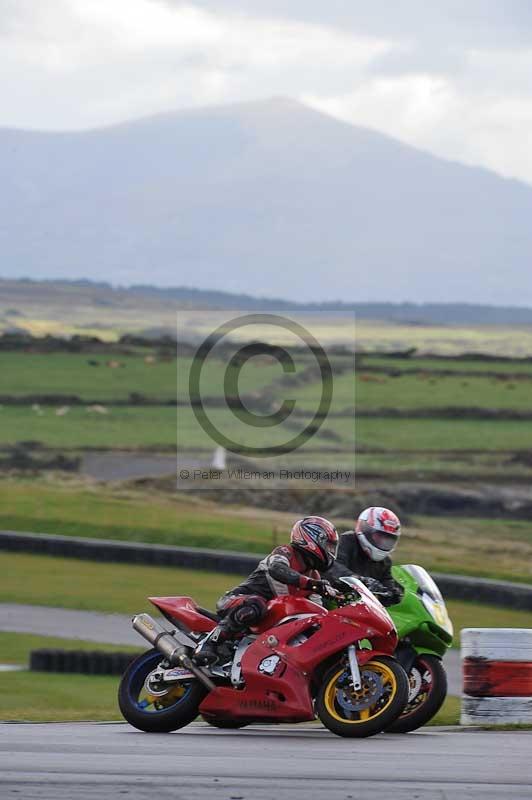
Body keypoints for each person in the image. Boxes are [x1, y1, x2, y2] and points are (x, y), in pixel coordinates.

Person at [194, 516, 339, 665]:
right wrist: (311, 584)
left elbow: (317, 612)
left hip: (266, 620)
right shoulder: (285, 552)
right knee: (256, 604)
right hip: (237, 601)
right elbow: (277, 569)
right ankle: (208, 643)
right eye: (328, 546)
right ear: (310, 538)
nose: (330, 552)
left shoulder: (314, 575)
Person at [325, 506, 404, 606]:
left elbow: (387, 582)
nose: (383, 542)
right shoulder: (347, 541)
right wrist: (360, 580)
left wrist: (394, 594)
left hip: (360, 608)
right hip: (331, 599)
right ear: (366, 529)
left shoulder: (385, 561)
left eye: (388, 539)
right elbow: (333, 566)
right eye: (379, 536)